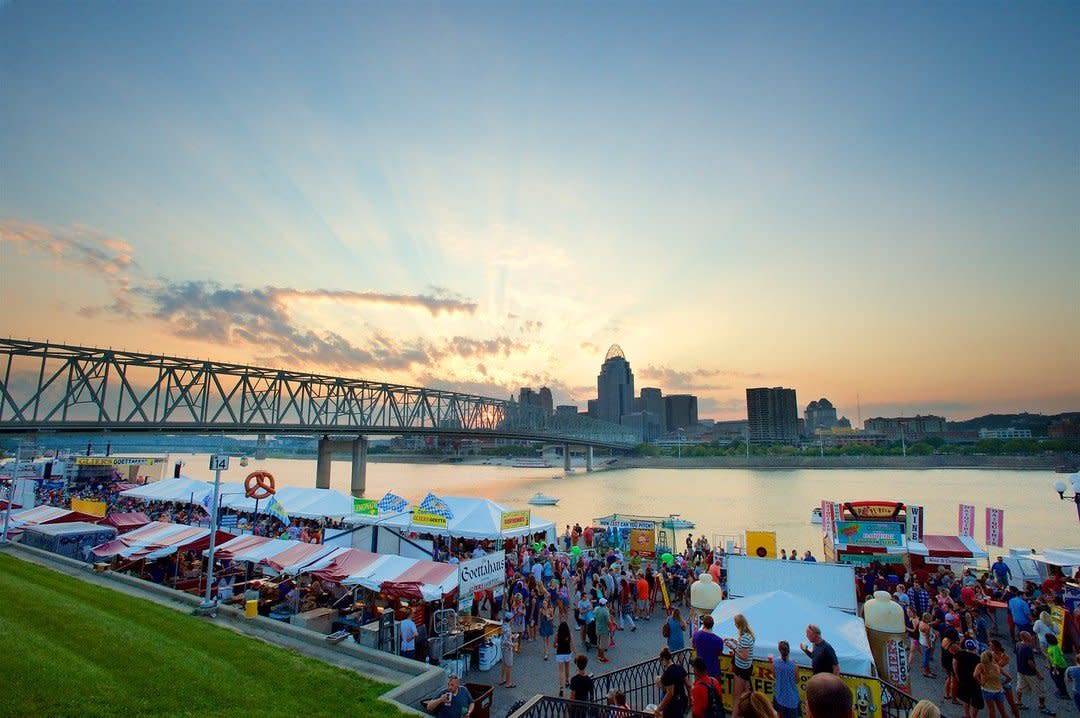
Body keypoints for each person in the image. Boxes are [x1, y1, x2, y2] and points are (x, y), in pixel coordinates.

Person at [1014, 631, 1054, 716]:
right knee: (1040, 689)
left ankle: (1019, 702)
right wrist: (1038, 673)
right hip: (1030, 672)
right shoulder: (1028, 647)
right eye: (1029, 636)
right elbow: (1030, 662)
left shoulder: (1018, 644)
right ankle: (1042, 705)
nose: (1031, 637)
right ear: (1026, 638)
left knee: (1020, 686)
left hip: (1020, 670)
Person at [725, 614, 755, 718]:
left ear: (739, 624)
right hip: (746, 669)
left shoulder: (745, 638)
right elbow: (744, 649)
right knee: (747, 695)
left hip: (741, 669)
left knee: (737, 697)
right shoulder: (748, 635)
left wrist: (733, 648)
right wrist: (735, 642)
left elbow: (744, 656)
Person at [954, 638, 984, 718]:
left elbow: (954, 663)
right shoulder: (978, 659)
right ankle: (973, 716)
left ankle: (967, 715)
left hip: (963, 679)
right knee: (976, 701)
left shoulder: (960, 654)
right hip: (975, 682)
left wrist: (957, 675)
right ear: (975, 648)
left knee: (965, 698)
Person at [656, 647, 690, 718]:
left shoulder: (667, 674)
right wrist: (690, 698)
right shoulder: (680, 668)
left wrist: (660, 707)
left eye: (661, 661)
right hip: (683, 700)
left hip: (672, 705)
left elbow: (670, 693)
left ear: (664, 659)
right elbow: (688, 685)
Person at [975, 649, 1009, 718]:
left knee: (991, 709)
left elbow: (975, 675)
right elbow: (1009, 677)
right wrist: (1002, 683)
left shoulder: (981, 666)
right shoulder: (996, 666)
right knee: (1002, 711)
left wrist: (980, 683)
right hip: (998, 690)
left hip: (987, 690)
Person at [770, 641, 800, 718]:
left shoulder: (775, 662)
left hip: (779, 696)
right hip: (791, 699)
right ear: (788, 650)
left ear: (779, 650)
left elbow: (774, 675)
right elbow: (797, 681)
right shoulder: (794, 665)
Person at [692, 615, 725, 681]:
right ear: (712, 625)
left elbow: (694, 646)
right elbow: (720, 653)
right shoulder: (718, 640)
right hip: (713, 670)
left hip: (700, 669)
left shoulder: (696, 635)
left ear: (703, 624)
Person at [1044, 633, 1069, 699]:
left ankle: (1064, 693)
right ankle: (1061, 690)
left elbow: (1056, 659)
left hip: (1058, 667)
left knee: (1058, 679)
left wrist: (1054, 668)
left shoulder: (1054, 648)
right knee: (1057, 679)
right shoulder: (1054, 646)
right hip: (1057, 665)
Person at [555, 620, 575, 697]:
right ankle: (567, 681)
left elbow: (555, 645)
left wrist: (557, 644)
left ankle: (561, 688)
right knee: (567, 668)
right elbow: (572, 645)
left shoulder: (557, 635)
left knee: (561, 671)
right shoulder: (569, 634)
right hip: (567, 653)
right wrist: (576, 654)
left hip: (560, 653)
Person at [499, 611, 516, 688]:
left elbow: (505, 637)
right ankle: (508, 682)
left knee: (504, 663)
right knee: (508, 665)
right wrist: (513, 644)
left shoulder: (503, 625)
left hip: (502, 647)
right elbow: (506, 641)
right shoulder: (508, 628)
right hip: (507, 649)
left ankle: (502, 679)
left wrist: (511, 636)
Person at [595, 597, 612, 663]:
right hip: (604, 629)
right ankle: (602, 658)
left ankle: (599, 655)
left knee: (599, 642)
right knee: (603, 645)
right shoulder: (605, 611)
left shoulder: (597, 609)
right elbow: (608, 622)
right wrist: (610, 629)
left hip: (598, 628)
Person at [539, 596, 555, 660]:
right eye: (543, 603)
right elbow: (539, 618)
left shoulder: (550, 610)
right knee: (545, 639)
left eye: (545, 603)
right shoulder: (541, 610)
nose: (544, 605)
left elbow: (552, 617)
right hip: (543, 625)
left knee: (547, 639)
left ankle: (546, 649)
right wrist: (538, 625)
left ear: (547, 604)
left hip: (548, 625)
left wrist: (549, 618)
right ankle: (546, 653)